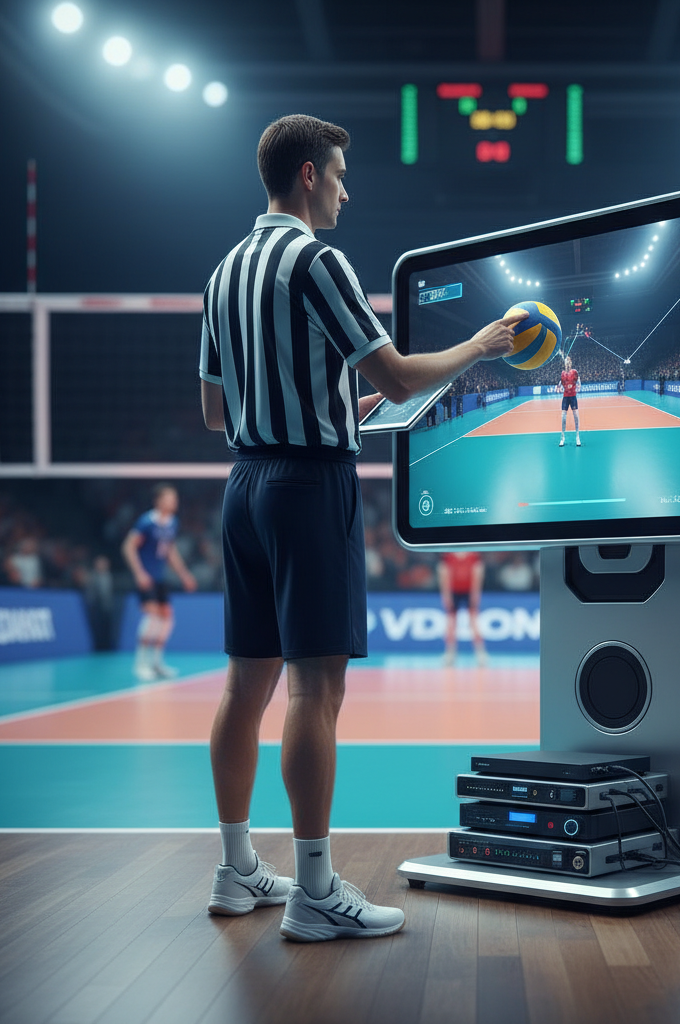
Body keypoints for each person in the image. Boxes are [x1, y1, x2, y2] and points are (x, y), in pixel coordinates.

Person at [199, 114, 521, 941]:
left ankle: (236, 870)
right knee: (315, 690)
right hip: (309, 488)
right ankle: (313, 891)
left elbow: (214, 412)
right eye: (340, 175)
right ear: (308, 175)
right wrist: (480, 345)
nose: (347, 191)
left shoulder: (223, 272)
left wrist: (337, 407)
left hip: (244, 486)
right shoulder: (318, 261)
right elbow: (400, 374)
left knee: (243, 686)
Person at [121, 484, 196, 680]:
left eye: (175, 498)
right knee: (152, 618)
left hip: (161, 577)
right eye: (170, 498)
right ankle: (140, 664)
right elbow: (128, 547)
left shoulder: (172, 523)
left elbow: (170, 551)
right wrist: (139, 573)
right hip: (147, 577)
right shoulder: (146, 522)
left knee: (167, 620)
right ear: (158, 501)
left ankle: (156, 663)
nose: (174, 502)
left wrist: (184, 575)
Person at [439, 551, 487, 667]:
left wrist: (475, 593)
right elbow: (443, 574)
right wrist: (446, 594)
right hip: (454, 592)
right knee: (451, 623)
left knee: (474, 622)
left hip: (469, 592)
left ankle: (481, 655)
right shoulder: (448, 556)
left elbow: (478, 574)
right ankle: (450, 655)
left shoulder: (474, 556)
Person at [558, 354, 581, 447]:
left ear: (570, 363)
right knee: (563, 417)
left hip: (573, 397)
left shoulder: (574, 372)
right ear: (564, 364)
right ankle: (562, 438)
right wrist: (559, 387)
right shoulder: (562, 373)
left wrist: (578, 387)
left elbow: (579, 381)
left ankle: (577, 437)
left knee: (576, 416)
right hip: (566, 397)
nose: (567, 363)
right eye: (566, 362)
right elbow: (560, 383)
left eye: (568, 362)